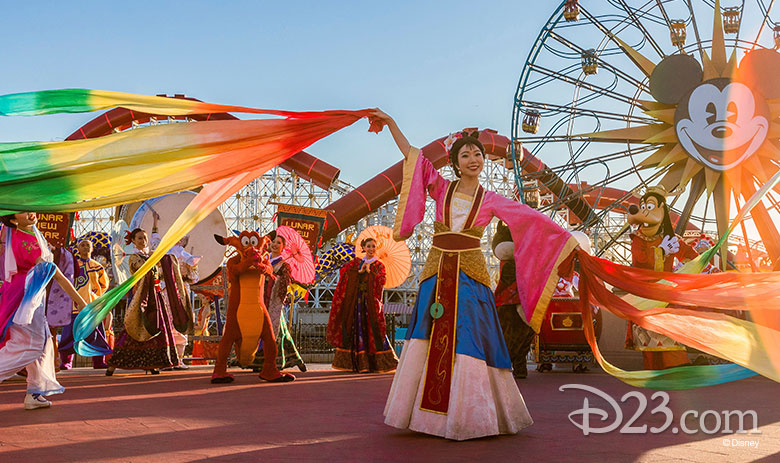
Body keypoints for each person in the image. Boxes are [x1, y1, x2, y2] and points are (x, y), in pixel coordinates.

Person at [373, 110, 578, 440]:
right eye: (465, 154)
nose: (473, 158)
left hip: (470, 275)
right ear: (454, 163)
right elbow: (412, 155)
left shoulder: (492, 199)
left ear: (484, 160)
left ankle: (470, 416)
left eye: (477, 154)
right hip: (437, 273)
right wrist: (391, 123)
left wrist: (566, 240)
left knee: (470, 337)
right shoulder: (441, 189)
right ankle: (428, 417)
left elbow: (531, 221)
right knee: (428, 334)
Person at [0, 212, 88, 410]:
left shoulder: (21, 233)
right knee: (31, 346)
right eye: (22, 211)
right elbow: (57, 275)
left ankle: (34, 392)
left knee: (43, 343)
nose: (30, 212)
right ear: (13, 220)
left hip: (22, 295)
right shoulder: (28, 246)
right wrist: (82, 304)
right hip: (25, 299)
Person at [106, 223, 192, 376]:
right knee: (134, 328)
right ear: (133, 240)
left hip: (156, 296)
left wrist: (166, 258)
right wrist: (154, 258)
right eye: (139, 238)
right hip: (141, 297)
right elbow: (142, 270)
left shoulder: (149, 256)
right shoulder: (133, 257)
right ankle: (113, 364)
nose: (143, 240)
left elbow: (161, 267)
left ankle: (153, 363)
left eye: (144, 238)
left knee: (157, 327)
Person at [327, 237, 398, 373]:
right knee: (355, 328)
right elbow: (344, 273)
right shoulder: (355, 263)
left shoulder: (379, 265)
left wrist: (371, 273)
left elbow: (382, 281)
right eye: (368, 246)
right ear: (363, 247)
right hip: (356, 301)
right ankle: (355, 363)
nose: (371, 249)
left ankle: (378, 363)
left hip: (370, 302)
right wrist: (358, 272)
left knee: (373, 328)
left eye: (373, 247)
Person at [253, 232, 306, 372]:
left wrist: (272, 275)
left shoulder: (284, 265)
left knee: (276, 330)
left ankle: (278, 360)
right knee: (263, 329)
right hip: (261, 298)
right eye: (273, 242)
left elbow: (284, 284)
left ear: (283, 247)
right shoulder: (264, 259)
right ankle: (260, 361)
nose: (274, 245)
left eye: (278, 243)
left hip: (274, 300)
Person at [58, 239, 111, 370]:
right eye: (82, 245)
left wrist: (96, 294)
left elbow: (104, 284)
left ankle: (98, 361)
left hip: (92, 306)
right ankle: (66, 361)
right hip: (74, 306)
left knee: (96, 333)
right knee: (69, 334)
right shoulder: (73, 265)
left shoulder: (98, 266)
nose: (85, 247)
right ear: (78, 248)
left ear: (92, 248)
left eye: (88, 245)